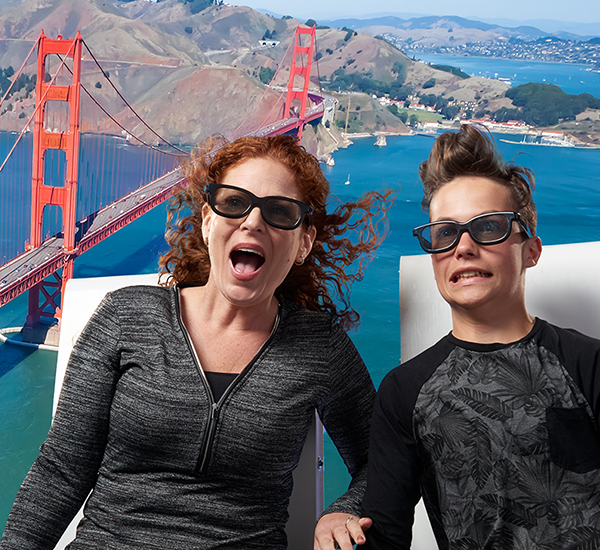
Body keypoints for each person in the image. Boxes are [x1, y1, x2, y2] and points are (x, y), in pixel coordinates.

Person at [0, 135, 390, 550]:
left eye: (279, 212)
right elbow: (61, 471)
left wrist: (342, 509)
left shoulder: (320, 347)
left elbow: (382, 461)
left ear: (303, 244)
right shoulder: (125, 317)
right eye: (235, 203)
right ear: (207, 222)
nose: (253, 223)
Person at [361, 124, 600, 549]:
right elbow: (384, 536)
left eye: (488, 227)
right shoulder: (403, 392)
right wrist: (341, 515)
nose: (463, 247)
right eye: (444, 233)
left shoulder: (589, 366)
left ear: (531, 251)